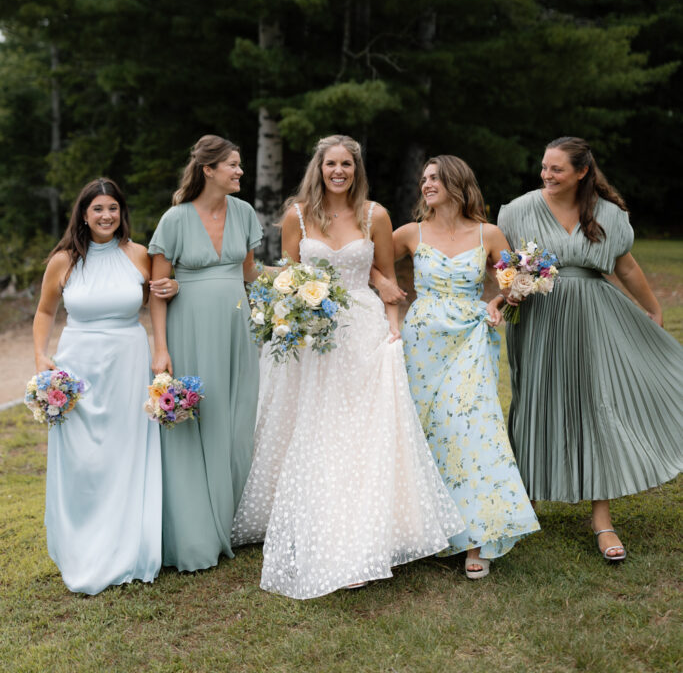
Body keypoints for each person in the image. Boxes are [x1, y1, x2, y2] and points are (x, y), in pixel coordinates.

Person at [232, 134, 465, 598]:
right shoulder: (296, 214)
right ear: (319, 168)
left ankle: (365, 530)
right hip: (312, 335)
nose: (338, 171)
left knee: (358, 432)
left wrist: (394, 327)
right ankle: (314, 523)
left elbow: (387, 274)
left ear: (357, 170)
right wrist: (283, 306)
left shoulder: (374, 214)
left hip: (363, 328)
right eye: (331, 164)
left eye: (347, 165)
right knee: (315, 430)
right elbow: (289, 270)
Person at [495, 136, 683, 561]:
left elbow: (626, 265)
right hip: (539, 319)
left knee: (597, 406)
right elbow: (498, 265)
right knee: (533, 402)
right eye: (544, 167)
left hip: (596, 317)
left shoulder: (610, 215)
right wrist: (507, 290)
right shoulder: (517, 210)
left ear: (582, 171)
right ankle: (523, 505)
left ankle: (602, 520)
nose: (547, 175)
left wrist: (652, 308)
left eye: (556, 168)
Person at [376, 156, 539, 580]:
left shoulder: (488, 233)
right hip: (422, 340)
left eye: (434, 178)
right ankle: (425, 530)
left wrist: (500, 300)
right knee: (426, 429)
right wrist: (386, 287)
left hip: (471, 336)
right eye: (423, 178)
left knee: (473, 428)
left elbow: (518, 277)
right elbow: (369, 264)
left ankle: (478, 536)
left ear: (456, 182)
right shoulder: (409, 233)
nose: (425, 183)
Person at [33, 177, 163, 594]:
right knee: (84, 460)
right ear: (84, 215)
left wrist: (172, 287)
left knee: (125, 454)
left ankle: (127, 548)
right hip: (79, 366)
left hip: (128, 361)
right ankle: (83, 551)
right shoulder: (64, 261)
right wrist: (41, 356)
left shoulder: (140, 255)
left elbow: (159, 299)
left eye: (113, 208)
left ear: (122, 213)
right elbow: (43, 312)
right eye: (98, 209)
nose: (106, 216)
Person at [149, 134, 263, 572]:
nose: (239, 172)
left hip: (238, 329)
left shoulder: (245, 213)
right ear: (209, 170)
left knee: (237, 422)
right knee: (197, 423)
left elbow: (252, 272)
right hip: (189, 331)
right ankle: (195, 533)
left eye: (240, 165)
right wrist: (161, 349)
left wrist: (305, 283)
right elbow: (158, 291)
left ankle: (231, 521)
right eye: (232, 165)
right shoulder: (175, 220)